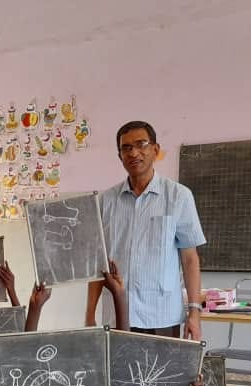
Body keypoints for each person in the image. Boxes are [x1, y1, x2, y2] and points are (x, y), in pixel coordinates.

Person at [86, 120, 206, 339]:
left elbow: (190, 259)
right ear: (120, 156)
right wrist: (89, 315)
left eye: (141, 144)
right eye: (126, 148)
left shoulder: (178, 197)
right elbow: (97, 261)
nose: (134, 153)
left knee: (160, 373)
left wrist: (194, 313)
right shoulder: (105, 201)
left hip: (162, 315)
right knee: (116, 373)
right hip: (116, 317)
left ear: (155, 149)